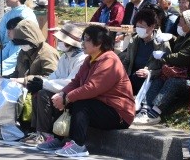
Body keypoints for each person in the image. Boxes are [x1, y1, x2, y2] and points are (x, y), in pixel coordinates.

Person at [45, 25, 135, 157]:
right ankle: (58, 140)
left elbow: (92, 88)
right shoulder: (90, 59)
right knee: (60, 98)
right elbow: (75, 82)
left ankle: (78, 146)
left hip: (119, 114)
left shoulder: (109, 60)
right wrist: (62, 94)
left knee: (81, 104)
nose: (82, 43)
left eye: (86, 39)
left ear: (98, 43)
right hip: (100, 106)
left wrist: (67, 97)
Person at [134, 9, 190, 125]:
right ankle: (145, 109)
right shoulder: (185, 36)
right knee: (158, 79)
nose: (179, 25)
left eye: (181, 23)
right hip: (183, 74)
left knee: (173, 82)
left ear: (189, 25)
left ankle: (155, 113)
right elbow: (178, 43)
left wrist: (164, 56)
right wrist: (171, 37)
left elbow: (181, 57)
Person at [21, 23, 86, 147]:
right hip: (62, 90)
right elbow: (56, 75)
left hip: (72, 93)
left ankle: (45, 134)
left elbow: (71, 82)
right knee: (37, 92)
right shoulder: (64, 58)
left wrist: (44, 84)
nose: (58, 42)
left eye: (61, 40)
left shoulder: (81, 59)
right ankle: (37, 131)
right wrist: (40, 82)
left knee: (43, 94)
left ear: (70, 43)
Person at [118, 9, 172, 95]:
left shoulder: (162, 43)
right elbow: (127, 61)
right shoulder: (134, 40)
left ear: (152, 26)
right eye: (137, 26)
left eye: (142, 27)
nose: (139, 30)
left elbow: (166, 68)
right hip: (131, 77)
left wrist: (150, 73)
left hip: (149, 80)